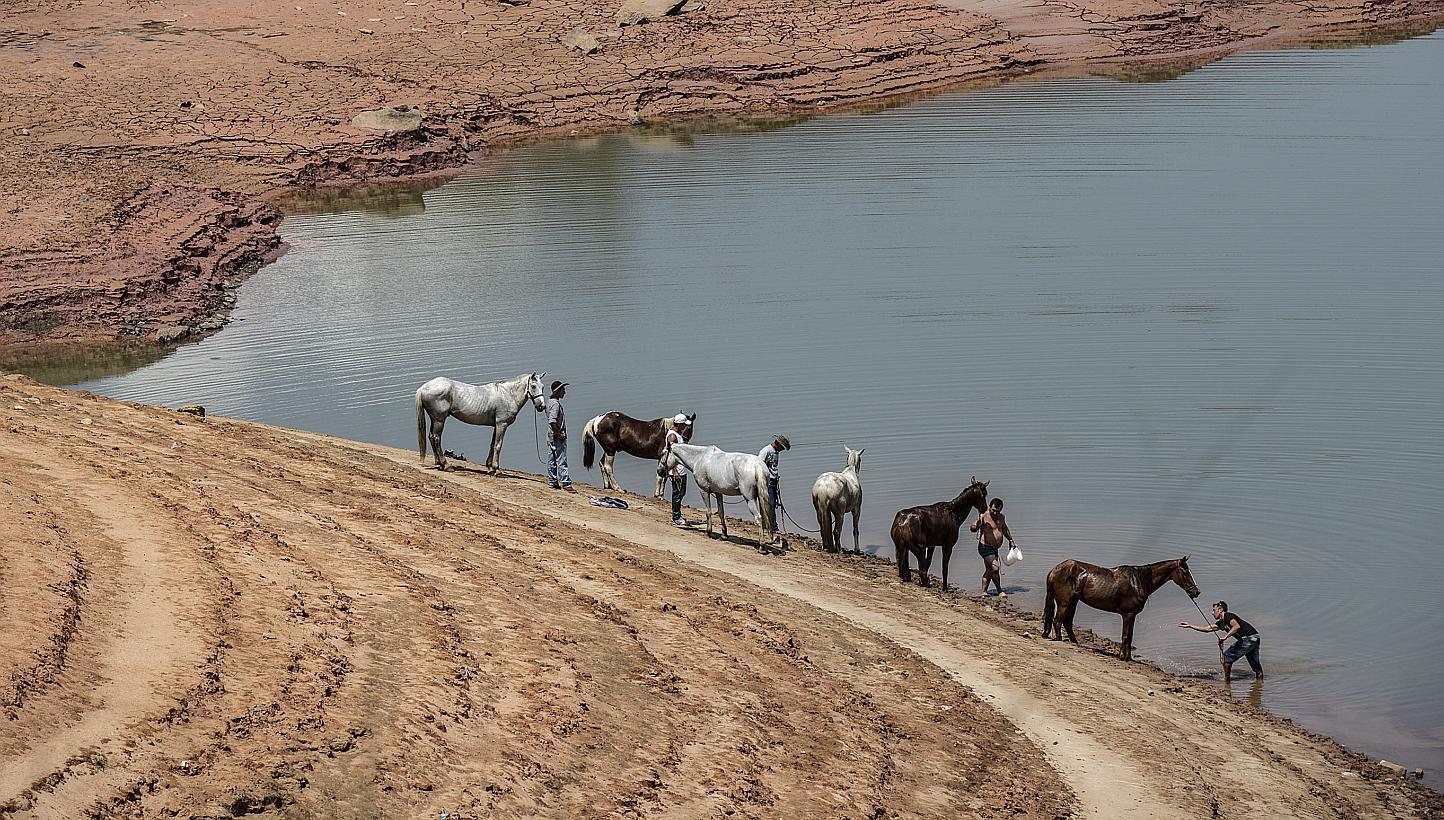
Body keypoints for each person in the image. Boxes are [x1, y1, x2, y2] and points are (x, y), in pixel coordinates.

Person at [1179, 601, 1263, 683]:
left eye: (1214, 610)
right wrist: (1190, 626)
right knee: (1256, 667)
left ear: (1220, 610)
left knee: (1226, 657)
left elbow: (1236, 626)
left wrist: (1225, 637)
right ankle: (1260, 685)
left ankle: (1227, 682)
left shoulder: (1227, 615)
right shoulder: (1221, 623)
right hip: (1255, 638)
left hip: (1249, 638)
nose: (1212, 613)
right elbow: (1207, 629)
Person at [969, 497, 1015, 597]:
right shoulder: (983, 516)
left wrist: (1011, 540)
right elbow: (972, 528)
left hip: (994, 549)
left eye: (997, 511)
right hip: (985, 547)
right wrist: (976, 525)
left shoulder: (1001, 516)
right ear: (989, 507)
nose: (995, 513)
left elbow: (1004, 529)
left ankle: (984, 592)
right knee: (995, 568)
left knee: (989, 570)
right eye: (993, 510)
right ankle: (999, 590)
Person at [661, 413, 692, 525]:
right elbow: (671, 454)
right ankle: (676, 517)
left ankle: (677, 515)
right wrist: (674, 471)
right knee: (677, 493)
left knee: (680, 493)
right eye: (683, 425)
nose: (685, 427)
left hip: (681, 469)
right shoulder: (672, 437)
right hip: (677, 471)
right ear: (679, 424)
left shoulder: (677, 434)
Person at [758, 435, 790, 540]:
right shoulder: (766, 451)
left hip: (774, 481)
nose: (782, 450)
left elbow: (773, 467)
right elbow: (759, 466)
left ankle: (771, 524)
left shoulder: (775, 452)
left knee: (773, 503)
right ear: (777, 443)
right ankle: (772, 526)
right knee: (770, 504)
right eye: (782, 447)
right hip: (767, 482)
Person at [544, 380, 574, 492]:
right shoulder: (556, 404)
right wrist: (559, 434)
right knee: (561, 459)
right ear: (557, 391)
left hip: (550, 434)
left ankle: (553, 481)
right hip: (556, 434)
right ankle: (566, 483)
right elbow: (552, 421)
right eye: (563, 390)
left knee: (551, 458)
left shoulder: (549, 402)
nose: (564, 392)